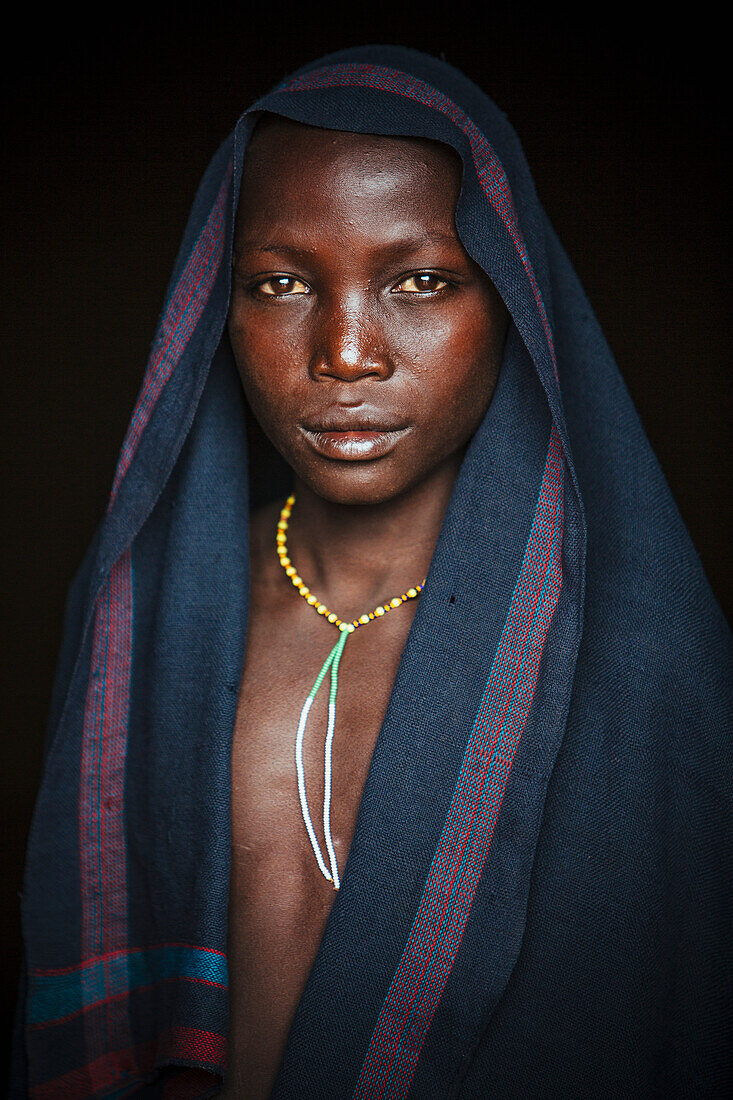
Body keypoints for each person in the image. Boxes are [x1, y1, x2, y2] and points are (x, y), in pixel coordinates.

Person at [12, 45, 731, 1100]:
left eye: (420, 281)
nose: (345, 351)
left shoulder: (638, 663)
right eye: (284, 283)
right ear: (222, 310)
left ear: (514, 307)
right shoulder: (148, 621)